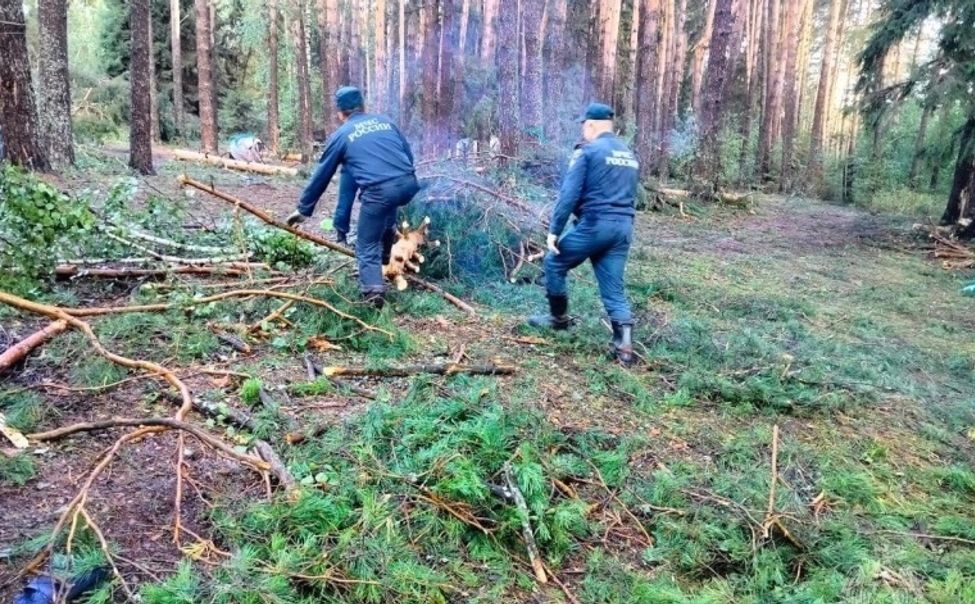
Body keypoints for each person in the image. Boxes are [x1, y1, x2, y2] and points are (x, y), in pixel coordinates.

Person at [528, 102, 639, 366]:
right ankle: (624, 347)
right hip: (623, 228)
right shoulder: (630, 156)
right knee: (613, 288)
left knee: (554, 262)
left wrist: (554, 231)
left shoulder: (587, 153)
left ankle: (558, 319)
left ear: (590, 125)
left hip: (595, 225)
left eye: (584, 126)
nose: (583, 132)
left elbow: (568, 194)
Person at [287, 86, 419, 306]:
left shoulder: (341, 134)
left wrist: (303, 210)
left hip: (380, 191)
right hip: (408, 183)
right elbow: (408, 154)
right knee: (385, 218)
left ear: (340, 112)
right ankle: (386, 259)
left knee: (366, 244)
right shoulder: (386, 122)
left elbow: (322, 175)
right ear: (363, 106)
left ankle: (373, 295)